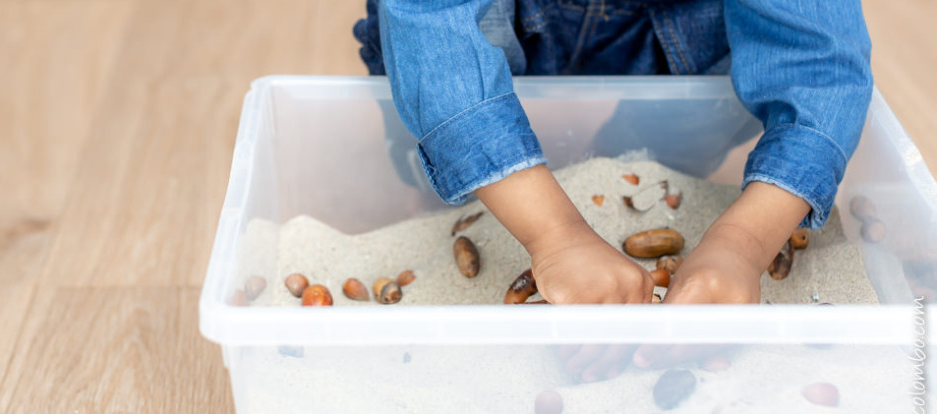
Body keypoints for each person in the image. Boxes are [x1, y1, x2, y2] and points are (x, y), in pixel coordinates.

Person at [352, 0, 873, 306]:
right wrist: (556, 235)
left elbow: (820, 65)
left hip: (675, 52)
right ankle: (470, 192)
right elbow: (432, 30)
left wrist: (742, 244)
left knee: (667, 159)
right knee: (442, 176)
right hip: (469, 54)